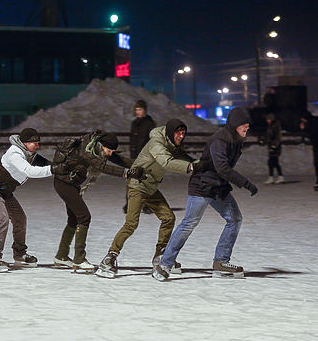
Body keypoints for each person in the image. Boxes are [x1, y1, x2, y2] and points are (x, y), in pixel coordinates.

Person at [152, 107, 258, 281]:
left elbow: (223, 171)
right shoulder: (220, 140)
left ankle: (221, 262)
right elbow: (222, 168)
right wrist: (245, 183)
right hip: (203, 186)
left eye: (248, 125)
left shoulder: (235, 139)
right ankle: (165, 263)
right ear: (234, 124)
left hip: (218, 187)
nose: (247, 128)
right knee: (189, 223)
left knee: (235, 219)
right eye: (244, 125)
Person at [96, 119, 204, 279]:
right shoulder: (157, 143)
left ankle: (160, 255)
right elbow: (166, 162)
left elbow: (181, 156)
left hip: (150, 187)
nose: (181, 136)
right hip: (137, 186)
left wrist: (201, 163)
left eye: (183, 133)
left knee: (168, 218)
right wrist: (191, 167)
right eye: (178, 132)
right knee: (131, 223)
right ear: (169, 132)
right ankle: (109, 258)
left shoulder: (171, 144)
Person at [52, 130, 141, 272]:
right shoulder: (86, 151)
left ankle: (61, 256)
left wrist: (140, 165)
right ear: (102, 145)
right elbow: (102, 167)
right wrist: (126, 173)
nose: (110, 153)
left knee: (74, 219)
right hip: (64, 184)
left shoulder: (96, 148)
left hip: (71, 184)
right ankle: (79, 259)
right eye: (109, 150)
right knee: (84, 217)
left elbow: (119, 160)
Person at [0, 128, 53, 273]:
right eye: (35, 143)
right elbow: (29, 171)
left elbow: (48, 163)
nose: (37, 146)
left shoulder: (29, 154)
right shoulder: (14, 153)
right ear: (25, 143)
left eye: (38, 142)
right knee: (2, 220)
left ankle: (19, 254)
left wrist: (62, 166)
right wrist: (54, 170)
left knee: (20, 219)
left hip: (6, 193)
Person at [123, 99, 156, 214]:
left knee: (144, 181)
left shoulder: (150, 124)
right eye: (136, 109)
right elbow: (133, 141)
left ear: (145, 110)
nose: (138, 112)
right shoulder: (134, 123)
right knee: (131, 179)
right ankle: (129, 203)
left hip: (145, 157)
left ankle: (146, 204)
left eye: (140, 109)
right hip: (134, 157)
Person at [264, 113, 284, 184]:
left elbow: (278, 137)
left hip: (275, 147)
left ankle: (273, 177)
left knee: (272, 162)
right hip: (271, 146)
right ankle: (277, 177)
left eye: (268, 119)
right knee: (273, 162)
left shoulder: (276, 126)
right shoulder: (271, 126)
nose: (267, 121)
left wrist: (274, 146)